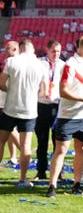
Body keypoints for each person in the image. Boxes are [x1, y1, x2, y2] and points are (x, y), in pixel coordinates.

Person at [46, 36, 83, 198]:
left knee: (81, 148)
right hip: (68, 114)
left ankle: (77, 183)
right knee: (61, 149)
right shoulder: (69, 65)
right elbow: (63, 91)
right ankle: (52, 185)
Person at [0, 38, 48, 186]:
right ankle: (22, 178)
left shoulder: (12, 62)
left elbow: (1, 83)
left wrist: (10, 90)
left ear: (20, 49)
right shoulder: (41, 65)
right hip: (29, 110)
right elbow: (45, 91)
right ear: (32, 49)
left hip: (10, 108)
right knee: (25, 145)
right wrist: (33, 96)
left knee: (1, 141)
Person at [33, 39, 65, 181]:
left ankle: (59, 172)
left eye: (58, 51)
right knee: (42, 140)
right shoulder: (40, 63)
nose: (56, 54)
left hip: (58, 105)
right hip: (42, 105)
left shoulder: (64, 65)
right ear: (47, 50)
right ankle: (41, 171)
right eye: (53, 51)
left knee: (59, 141)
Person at [0, 39, 21, 167]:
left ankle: (24, 152)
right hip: (8, 100)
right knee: (8, 130)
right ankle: (13, 157)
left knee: (9, 128)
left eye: (8, 48)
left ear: (14, 49)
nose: (6, 50)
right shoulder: (11, 61)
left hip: (7, 101)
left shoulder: (12, 62)